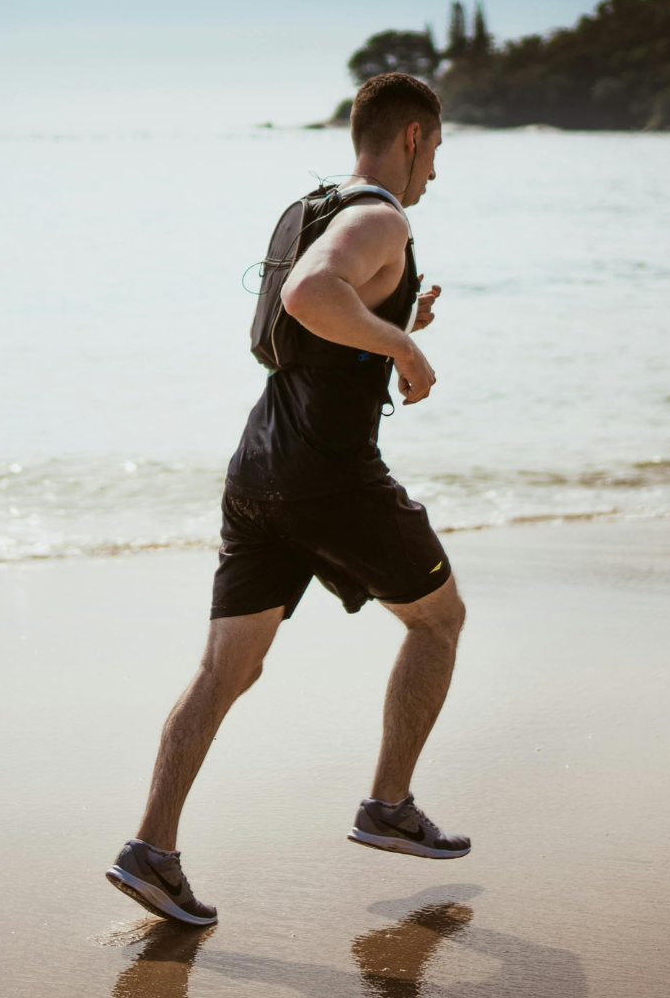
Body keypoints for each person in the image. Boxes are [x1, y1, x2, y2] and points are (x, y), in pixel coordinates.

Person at [106, 72, 469, 927]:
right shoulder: (382, 216)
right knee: (439, 620)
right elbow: (310, 298)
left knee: (226, 670)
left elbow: (297, 332)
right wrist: (405, 354)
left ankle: (150, 850)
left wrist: (388, 326)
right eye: (438, 152)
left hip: (258, 470)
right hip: (329, 478)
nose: (436, 176)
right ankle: (388, 805)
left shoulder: (311, 208)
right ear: (412, 137)